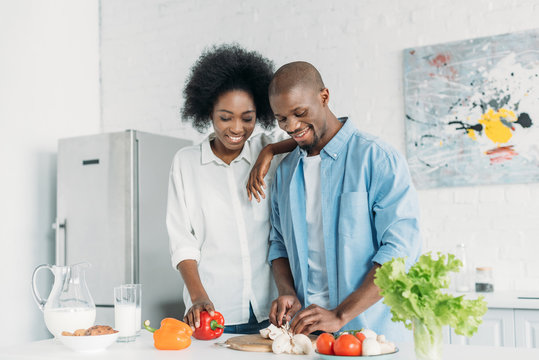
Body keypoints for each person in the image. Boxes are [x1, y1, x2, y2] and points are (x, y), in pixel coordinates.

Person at [266, 61, 422, 342]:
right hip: (308, 338)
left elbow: (400, 251)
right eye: (281, 119)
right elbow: (278, 243)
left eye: (299, 113)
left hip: (373, 337)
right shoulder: (285, 172)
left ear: (324, 97)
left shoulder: (376, 158)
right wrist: (287, 291)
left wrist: (340, 315)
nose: (292, 126)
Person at [166, 44, 296, 334]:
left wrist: (270, 150)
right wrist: (198, 296)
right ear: (207, 112)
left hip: (272, 309)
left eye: (247, 118)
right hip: (213, 310)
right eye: (226, 117)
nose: (237, 128)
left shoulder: (267, 149)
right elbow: (182, 241)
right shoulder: (186, 163)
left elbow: (311, 133)